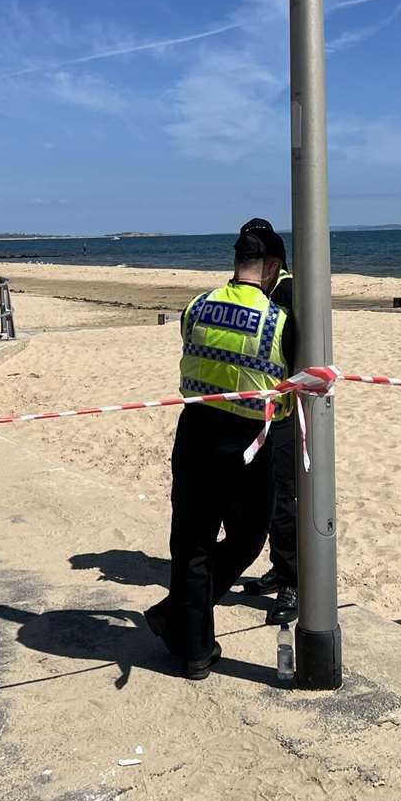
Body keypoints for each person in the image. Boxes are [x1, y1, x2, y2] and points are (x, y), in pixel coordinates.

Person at [144, 226, 290, 679]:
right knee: (248, 537)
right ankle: (183, 625)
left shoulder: (196, 306)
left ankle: (193, 647)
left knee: (191, 543)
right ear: (270, 269)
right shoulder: (277, 321)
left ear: (237, 262)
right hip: (248, 443)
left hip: (194, 434)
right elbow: (289, 384)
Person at [238, 218, 299, 625]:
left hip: (286, 414)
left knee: (285, 500)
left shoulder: (290, 292)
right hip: (253, 412)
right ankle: (280, 568)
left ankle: (294, 581)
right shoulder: (255, 291)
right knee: (264, 497)